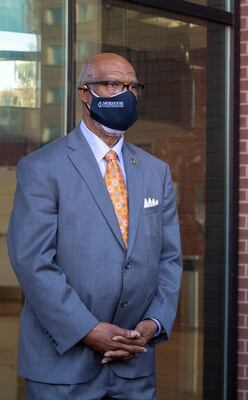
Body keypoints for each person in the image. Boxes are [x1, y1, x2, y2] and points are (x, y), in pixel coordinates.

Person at [7, 53, 183, 399]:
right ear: (85, 93)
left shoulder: (155, 171)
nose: (125, 94)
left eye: (133, 86)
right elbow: (33, 263)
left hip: (135, 364)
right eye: (113, 83)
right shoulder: (41, 168)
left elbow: (168, 259)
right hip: (63, 370)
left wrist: (153, 324)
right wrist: (87, 329)